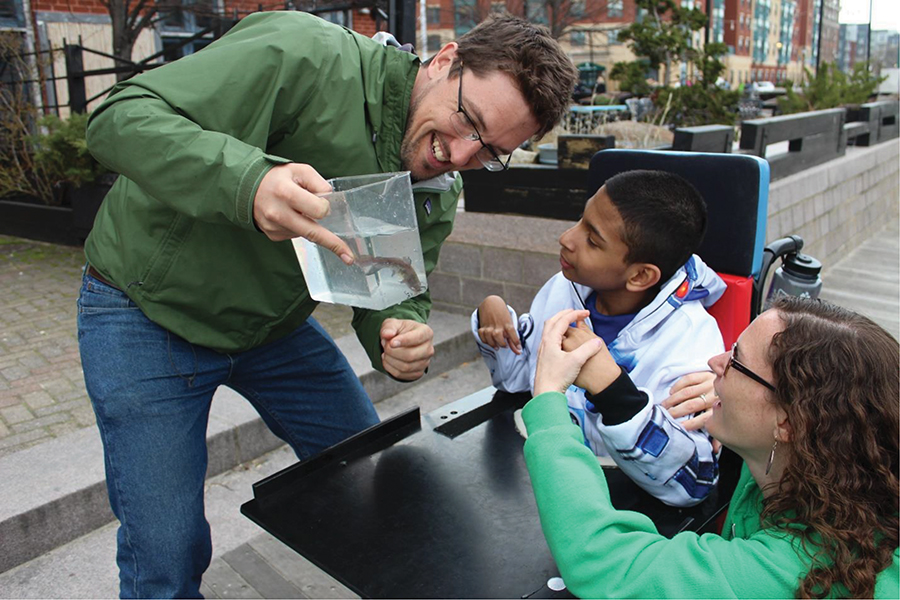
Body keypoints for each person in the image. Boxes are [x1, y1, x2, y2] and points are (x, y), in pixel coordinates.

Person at [79, 11, 577, 597]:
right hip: (144, 308)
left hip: (270, 328)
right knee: (166, 551)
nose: (461, 154)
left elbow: (391, 285)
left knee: (373, 472)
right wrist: (250, 182)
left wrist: (400, 326)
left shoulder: (440, 185)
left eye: (491, 151)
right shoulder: (304, 54)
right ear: (445, 61)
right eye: (470, 120)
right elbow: (117, 118)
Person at [524, 297, 899, 598]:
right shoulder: (833, 472)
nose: (713, 363)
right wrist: (736, 395)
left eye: (735, 360)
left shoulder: (793, 573)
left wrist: (548, 399)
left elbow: (604, 563)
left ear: (788, 421)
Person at [473, 170, 725, 506]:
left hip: (620, 507)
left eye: (593, 240)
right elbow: (521, 380)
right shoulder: (564, 289)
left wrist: (613, 392)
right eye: (581, 219)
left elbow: (692, 483)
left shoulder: (689, 339)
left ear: (640, 275)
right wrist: (495, 321)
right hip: (548, 481)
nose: (566, 237)